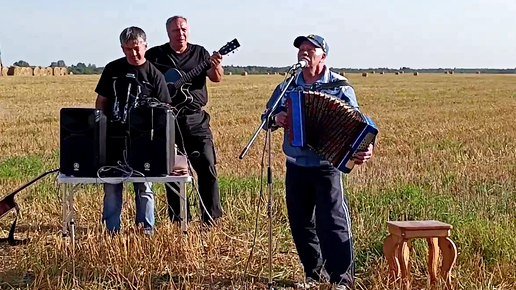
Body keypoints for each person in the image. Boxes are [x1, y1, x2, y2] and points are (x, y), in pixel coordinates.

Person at [262, 34, 374, 289]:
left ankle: (341, 279)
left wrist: (366, 149)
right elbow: (267, 116)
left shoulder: (340, 86)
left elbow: (358, 127)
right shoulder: (288, 85)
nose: (304, 52)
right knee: (300, 223)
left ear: (323, 55)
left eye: (310, 49)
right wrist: (277, 117)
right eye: (301, 49)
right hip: (296, 165)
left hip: (327, 166)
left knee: (333, 223)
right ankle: (314, 275)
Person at [145, 16, 223, 226]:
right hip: (167, 121)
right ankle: (179, 220)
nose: (180, 33)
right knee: (173, 174)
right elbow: (146, 80)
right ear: (168, 33)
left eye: (184, 29)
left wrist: (215, 66)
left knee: (207, 168)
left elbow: (215, 77)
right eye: (175, 31)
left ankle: (211, 221)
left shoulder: (200, 53)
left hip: (195, 119)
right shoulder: (155, 55)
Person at [94, 26, 172, 234]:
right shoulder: (112, 69)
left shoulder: (155, 75)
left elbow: (166, 110)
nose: (133, 53)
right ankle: (111, 231)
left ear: (145, 46)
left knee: (144, 187)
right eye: (128, 49)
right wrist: (100, 129)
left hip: (143, 142)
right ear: (122, 49)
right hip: (113, 140)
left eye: (136, 48)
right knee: (111, 187)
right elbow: (101, 101)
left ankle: (146, 230)